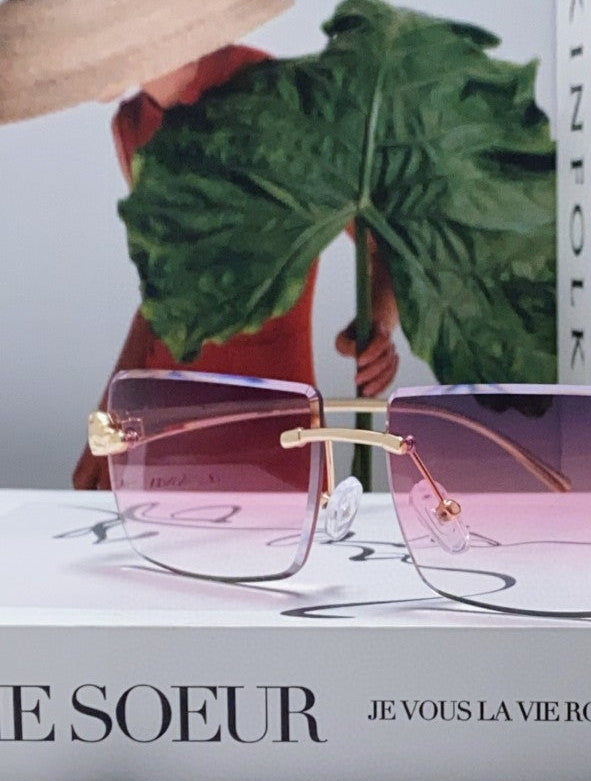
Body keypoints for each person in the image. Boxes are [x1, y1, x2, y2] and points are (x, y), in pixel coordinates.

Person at [71, 43, 400, 489]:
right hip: (161, 429)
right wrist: (109, 416)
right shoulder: (132, 125)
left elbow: (385, 242)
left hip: (276, 424)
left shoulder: (279, 97)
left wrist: (378, 324)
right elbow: (165, 297)